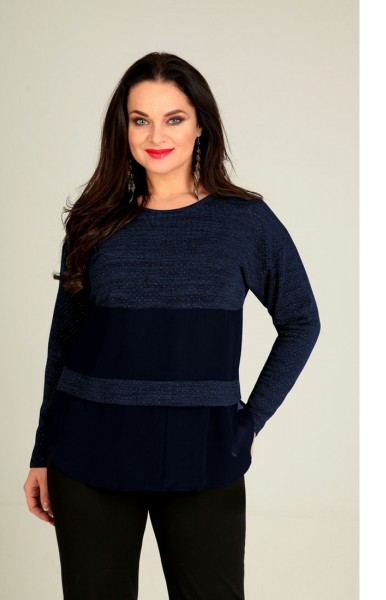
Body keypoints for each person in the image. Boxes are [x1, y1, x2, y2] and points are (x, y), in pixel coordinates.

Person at [23, 51, 321, 600]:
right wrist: (42, 452)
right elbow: (63, 341)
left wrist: (249, 422)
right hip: (88, 449)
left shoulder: (244, 221)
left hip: (202, 453)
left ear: (200, 124)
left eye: (174, 118)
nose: (156, 136)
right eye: (141, 120)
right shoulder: (93, 219)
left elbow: (302, 321)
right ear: (123, 128)